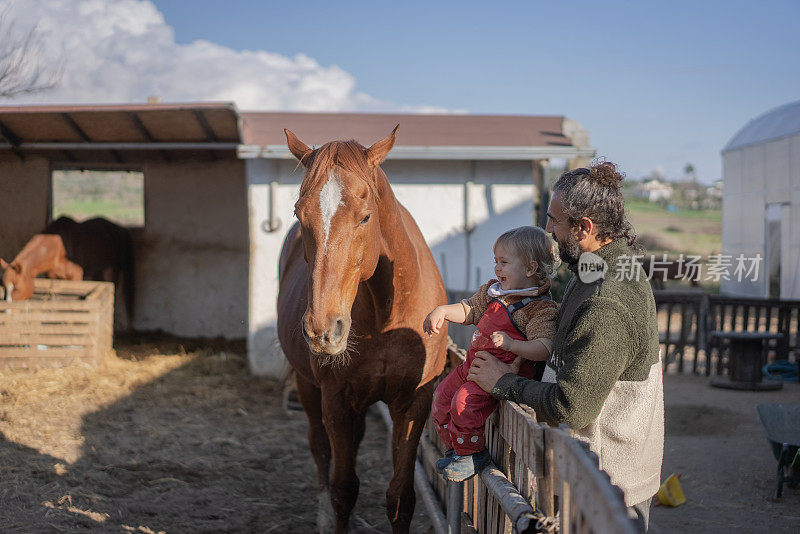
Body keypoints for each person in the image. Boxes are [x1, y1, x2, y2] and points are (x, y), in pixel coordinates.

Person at [467, 161, 664, 531]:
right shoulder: (598, 267)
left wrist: (502, 382)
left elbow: (572, 408)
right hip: (595, 470)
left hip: (608, 484)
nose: (548, 231)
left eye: (554, 222)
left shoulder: (605, 300)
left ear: (585, 227)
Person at [422, 226, 559, 482]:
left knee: (463, 403)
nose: (497, 268)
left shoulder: (539, 308)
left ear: (530, 268)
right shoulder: (492, 292)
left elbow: (544, 348)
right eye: (495, 261)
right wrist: (442, 310)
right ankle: (456, 450)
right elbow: (469, 310)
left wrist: (512, 345)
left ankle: (473, 454)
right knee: (442, 396)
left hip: (498, 375)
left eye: (504, 262)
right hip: (473, 366)